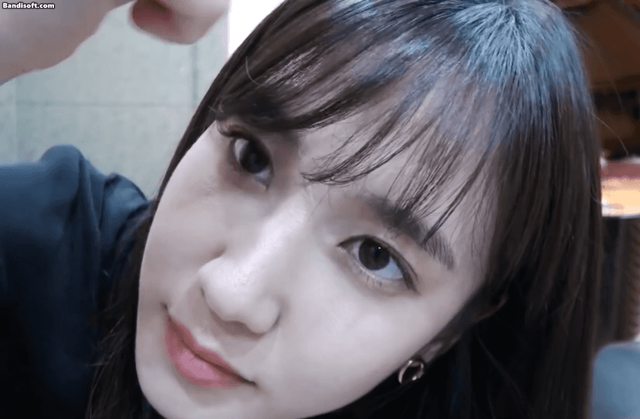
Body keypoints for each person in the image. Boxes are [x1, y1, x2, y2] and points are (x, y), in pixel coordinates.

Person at [0, 1, 604, 418]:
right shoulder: (47, 253)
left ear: (448, 332)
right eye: (252, 158)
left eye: (375, 256)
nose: (231, 293)